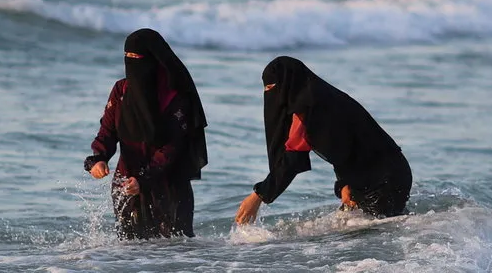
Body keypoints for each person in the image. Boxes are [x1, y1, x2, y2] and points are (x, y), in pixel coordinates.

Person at [235, 56, 412, 224]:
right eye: (266, 89)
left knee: (370, 238)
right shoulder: (322, 99)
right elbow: (344, 147)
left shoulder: (310, 110)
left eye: (272, 87)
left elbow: (292, 161)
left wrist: (257, 197)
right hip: (379, 176)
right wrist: (344, 184)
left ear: (289, 84)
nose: (269, 94)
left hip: (385, 179)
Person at [84, 28, 208, 240]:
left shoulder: (175, 98)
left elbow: (173, 148)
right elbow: (108, 129)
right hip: (126, 184)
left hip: (169, 188)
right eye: (127, 57)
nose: (132, 64)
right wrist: (99, 159)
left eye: (137, 58)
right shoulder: (121, 91)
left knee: (174, 257)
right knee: (130, 257)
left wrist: (144, 179)